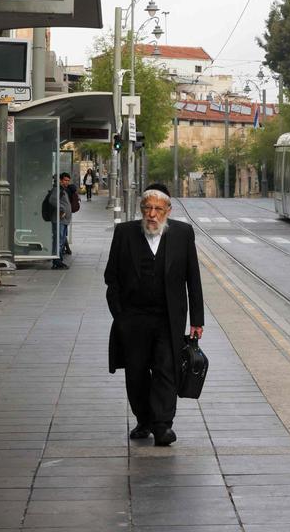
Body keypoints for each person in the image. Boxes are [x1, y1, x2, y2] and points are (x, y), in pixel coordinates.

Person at [105, 183, 204, 447]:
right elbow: (111, 279)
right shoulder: (124, 233)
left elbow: (193, 279)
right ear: (141, 210)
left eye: (158, 209)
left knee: (165, 369)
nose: (152, 214)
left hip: (168, 317)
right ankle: (144, 419)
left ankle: (163, 426)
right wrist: (120, 316)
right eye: (147, 208)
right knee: (136, 372)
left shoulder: (183, 234)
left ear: (168, 211)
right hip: (133, 318)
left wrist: (197, 320)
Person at [46, 173, 73, 269]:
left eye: (68, 180)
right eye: (65, 180)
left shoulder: (63, 190)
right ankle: (57, 261)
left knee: (61, 240)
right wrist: (62, 209)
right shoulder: (57, 189)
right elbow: (52, 200)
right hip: (59, 219)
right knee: (58, 241)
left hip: (63, 220)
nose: (67, 182)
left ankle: (58, 260)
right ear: (60, 180)